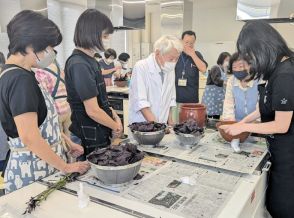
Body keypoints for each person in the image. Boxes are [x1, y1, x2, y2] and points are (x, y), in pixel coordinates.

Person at [0, 10, 89, 193]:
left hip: (43, 164)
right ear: (30, 45)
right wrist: (66, 167)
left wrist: (65, 141)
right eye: (47, 47)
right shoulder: (19, 80)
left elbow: (39, 123)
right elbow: (29, 136)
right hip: (32, 171)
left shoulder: (21, 74)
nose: (50, 53)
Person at [220, 20, 294, 218]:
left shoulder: (286, 74)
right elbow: (265, 108)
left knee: (283, 207)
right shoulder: (277, 70)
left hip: (289, 157)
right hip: (279, 152)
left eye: (250, 56)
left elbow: (281, 124)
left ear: (262, 48)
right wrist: (242, 123)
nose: (250, 63)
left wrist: (243, 128)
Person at [65, 9, 123, 159]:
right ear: (90, 34)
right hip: (86, 134)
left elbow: (100, 100)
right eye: (104, 36)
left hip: (98, 130)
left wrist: (114, 116)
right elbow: (92, 111)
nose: (107, 40)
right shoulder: (79, 64)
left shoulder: (90, 60)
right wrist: (116, 126)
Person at [128, 35, 183, 125]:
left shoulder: (169, 69)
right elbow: (141, 103)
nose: (174, 62)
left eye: (176, 59)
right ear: (158, 53)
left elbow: (170, 99)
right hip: (143, 126)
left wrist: (170, 121)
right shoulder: (141, 67)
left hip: (161, 125)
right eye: (171, 59)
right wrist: (157, 127)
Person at [174, 30, 208, 122]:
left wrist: (192, 54)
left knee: (190, 125)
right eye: (187, 42)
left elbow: (204, 69)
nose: (189, 44)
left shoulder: (197, 54)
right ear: (181, 41)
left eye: (192, 43)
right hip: (175, 99)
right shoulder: (176, 54)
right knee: (176, 125)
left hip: (191, 100)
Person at [222, 53, 258, 121]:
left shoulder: (258, 80)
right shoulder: (232, 81)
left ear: (250, 65)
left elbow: (261, 108)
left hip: (256, 123)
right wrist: (230, 123)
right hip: (237, 122)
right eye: (234, 67)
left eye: (241, 66)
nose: (237, 70)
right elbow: (228, 103)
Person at [202, 52, 231, 119]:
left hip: (218, 98)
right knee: (208, 113)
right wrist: (225, 82)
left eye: (229, 60)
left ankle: (215, 127)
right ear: (221, 59)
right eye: (226, 60)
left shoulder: (224, 70)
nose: (228, 62)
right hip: (211, 97)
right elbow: (216, 80)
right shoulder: (215, 68)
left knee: (217, 114)